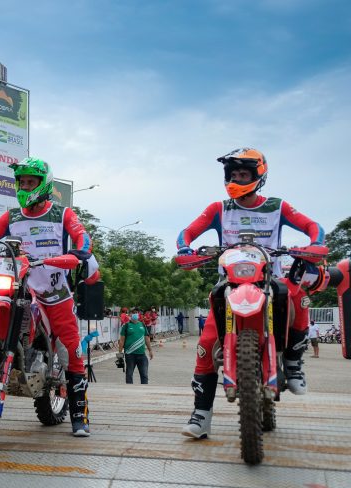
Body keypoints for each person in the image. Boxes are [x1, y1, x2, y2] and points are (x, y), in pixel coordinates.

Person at [177, 147, 326, 439]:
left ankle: (293, 364)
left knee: (298, 295)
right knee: (206, 344)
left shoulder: (277, 206)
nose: (236, 178)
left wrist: (315, 242)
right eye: (232, 174)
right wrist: (184, 247)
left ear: (259, 176)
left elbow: (312, 226)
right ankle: (201, 414)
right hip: (229, 282)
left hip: (270, 278)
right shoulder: (218, 209)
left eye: (243, 173)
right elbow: (187, 233)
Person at [0, 157, 100, 436]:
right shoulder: (12, 217)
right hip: (20, 289)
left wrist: (81, 251)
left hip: (54, 293)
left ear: (44, 183)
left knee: (73, 350)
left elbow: (81, 236)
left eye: (30, 181)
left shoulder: (62, 214)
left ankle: (79, 414)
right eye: (21, 181)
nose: (25, 186)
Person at [118, 309, 153, 384]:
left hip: (142, 354)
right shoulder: (126, 326)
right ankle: (129, 391)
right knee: (129, 374)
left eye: (136, 313)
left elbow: (146, 338)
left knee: (144, 375)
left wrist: (150, 350)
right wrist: (120, 354)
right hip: (130, 354)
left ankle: (144, 391)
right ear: (130, 314)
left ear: (138, 314)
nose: (135, 314)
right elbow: (121, 340)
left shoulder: (142, 325)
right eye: (133, 313)